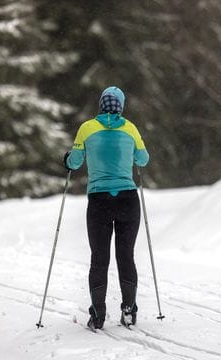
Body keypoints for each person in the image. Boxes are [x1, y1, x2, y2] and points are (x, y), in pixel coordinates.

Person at [64, 86, 149, 330]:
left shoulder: (87, 128)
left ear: (101, 104)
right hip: (128, 199)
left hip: (99, 201)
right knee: (126, 256)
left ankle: (98, 315)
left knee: (99, 259)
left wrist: (67, 158)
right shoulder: (130, 128)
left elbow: (75, 162)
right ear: (120, 106)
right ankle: (129, 311)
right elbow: (143, 159)